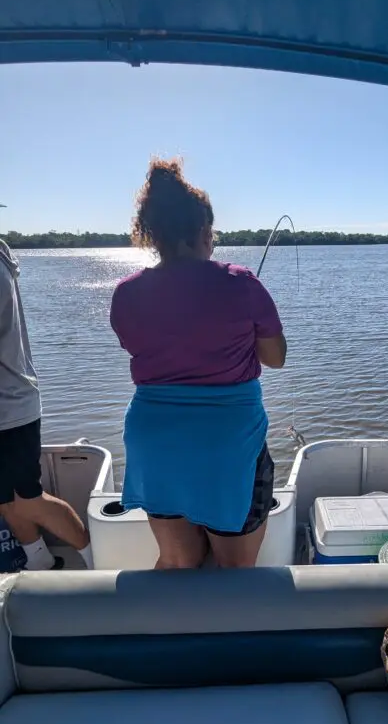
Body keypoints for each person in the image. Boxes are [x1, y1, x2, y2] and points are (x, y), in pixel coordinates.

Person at [110, 158, 286, 570]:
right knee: (234, 572)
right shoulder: (241, 283)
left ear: (153, 234)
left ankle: (160, 614)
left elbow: (142, 349)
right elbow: (275, 358)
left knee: (177, 561)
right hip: (227, 443)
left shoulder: (125, 294)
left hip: (155, 440)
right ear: (204, 231)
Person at [0, 240, 93, 570]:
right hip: (10, 405)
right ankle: (40, 561)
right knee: (6, 500)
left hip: (9, 409)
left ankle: (97, 560)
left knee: (29, 500)